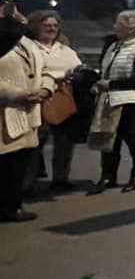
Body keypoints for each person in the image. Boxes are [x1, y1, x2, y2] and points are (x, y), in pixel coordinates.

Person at [88, 11, 135, 195]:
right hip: (112, 97)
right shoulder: (114, 45)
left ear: (131, 27)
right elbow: (106, 67)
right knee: (109, 138)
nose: (114, 26)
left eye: (118, 23)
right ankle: (107, 176)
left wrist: (113, 84)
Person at [0, 5, 55, 222]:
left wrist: (46, 88)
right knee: (5, 164)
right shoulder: (5, 41)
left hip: (29, 111)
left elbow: (45, 70)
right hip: (7, 109)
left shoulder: (28, 42)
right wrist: (17, 94)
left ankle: (13, 205)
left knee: (19, 164)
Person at [25, 10, 83, 191]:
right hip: (37, 99)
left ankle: (60, 179)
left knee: (64, 144)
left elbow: (77, 68)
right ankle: (27, 183)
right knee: (34, 144)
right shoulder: (29, 47)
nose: (51, 29)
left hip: (63, 99)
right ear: (36, 27)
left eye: (55, 26)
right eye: (47, 25)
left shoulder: (66, 50)